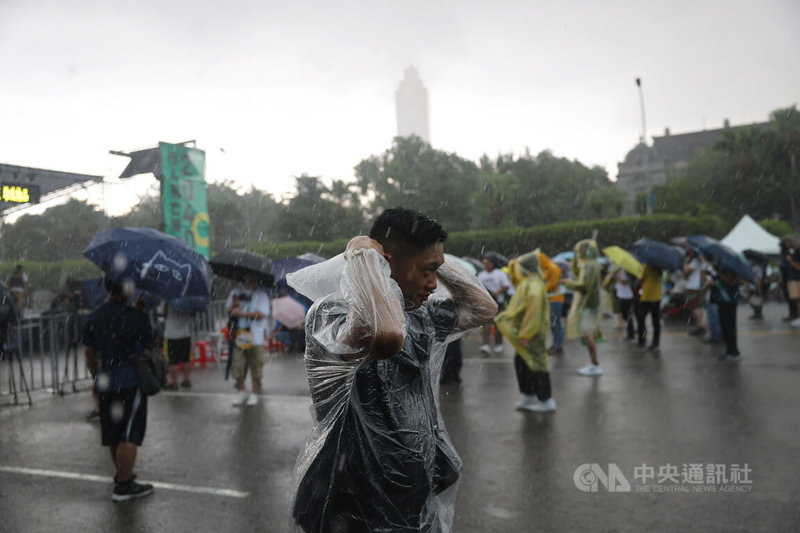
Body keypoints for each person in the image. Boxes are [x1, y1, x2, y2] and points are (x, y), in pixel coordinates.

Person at [290, 207, 497, 533]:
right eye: (426, 272)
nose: (433, 284)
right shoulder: (330, 314)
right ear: (386, 263)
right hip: (356, 506)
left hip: (414, 495)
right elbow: (385, 334)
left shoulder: (420, 314)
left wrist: (437, 264)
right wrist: (363, 258)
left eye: (435, 272)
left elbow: (484, 307)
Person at [80, 277, 156, 501]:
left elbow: (88, 352)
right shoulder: (136, 316)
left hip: (106, 382)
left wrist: (96, 374)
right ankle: (124, 486)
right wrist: (141, 312)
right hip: (131, 381)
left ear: (107, 288)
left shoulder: (95, 315)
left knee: (114, 434)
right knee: (129, 434)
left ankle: (123, 475)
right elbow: (150, 344)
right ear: (129, 291)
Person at [496, 251, 556, 412]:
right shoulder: (529, 281)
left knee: (537, 365)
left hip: (532, 333)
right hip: (526, 331)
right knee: (522, 363)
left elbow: (533, 312)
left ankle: (546, 400)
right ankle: (529, 395)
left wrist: (526, 333)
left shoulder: (534, 284)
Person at [226, 272, 271, 406]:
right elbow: (229, 310)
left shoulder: (262, 295)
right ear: (244, 277)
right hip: (239, 335)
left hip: (256, 336)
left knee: (256, 366)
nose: (251, 281)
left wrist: (242, 313)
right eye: (248, 277)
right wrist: (235, 305)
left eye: (254, 278)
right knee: (237, 365)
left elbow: (262, 314)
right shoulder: (236, 292)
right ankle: (242, 391)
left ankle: (254, 393)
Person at [563, 239, 603, 376]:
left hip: (588, 304)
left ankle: (595, 364)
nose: (578, 252)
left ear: (586, 250)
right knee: (588, 335)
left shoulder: (590, 266)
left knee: (588, 335)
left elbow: (584, 286)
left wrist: (568, 283)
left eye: (579, 249)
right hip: (589, 304)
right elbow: (576, 272)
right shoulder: (589, 264)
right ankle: (594, 363)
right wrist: (575, 257)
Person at [477, 255, 512, 354]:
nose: (486, 265)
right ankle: (486, 345)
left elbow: (506, 286)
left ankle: (499, 344)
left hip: (498, 303)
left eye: (488, 263)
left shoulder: (500, 274)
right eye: (484, 263)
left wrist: (498, 292)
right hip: (486, 304)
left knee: (498, 325)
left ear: (493, 263)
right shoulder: (481, 275)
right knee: (486, 325)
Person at [706, 266, 742, 361]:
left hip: (728, 301)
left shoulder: (730, 268)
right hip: (724, 301)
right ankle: (730, 351)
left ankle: (733, 352)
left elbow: (728, 280)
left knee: (729, 327)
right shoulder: (729, 266)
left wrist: (718, 272)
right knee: (726, 327)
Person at [162, 302, 194, 390]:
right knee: (186, 359)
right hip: (185, 334)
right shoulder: (185, 301)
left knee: (173, 361)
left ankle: (174, 383)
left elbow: (163, 315)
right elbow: (190, 315)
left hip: (171, 336)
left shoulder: (167, 301)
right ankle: (186, 380)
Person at [539, 252, 565, 355]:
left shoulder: (552, 268)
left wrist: (540, 290)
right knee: (554, 324)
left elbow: (553, 283)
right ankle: (556, 345)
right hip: (550, 299)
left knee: (556, 323)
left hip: (555, 299)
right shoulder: (545, 269)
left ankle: (558, 346)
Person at [636, 265, 663, 352]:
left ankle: (642, 342)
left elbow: (640, 279)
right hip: (657, 296)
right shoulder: (660, 266)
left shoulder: (644, 266)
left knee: (641, 320)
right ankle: (656, 344)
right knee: (656, 321)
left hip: (646, 297)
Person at [683, 248, 707, 336]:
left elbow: (686, 271)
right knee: (695, 307)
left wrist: (686, 262)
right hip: (693, 286)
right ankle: (700, 325)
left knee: (695, 307)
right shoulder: (696, 260)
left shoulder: (694, 261)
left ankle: (701, 326)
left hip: (693, 286)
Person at [613, 267, 636, 341]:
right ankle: (630, 331)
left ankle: (631, 333)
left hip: (627, 296)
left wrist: (617, 277)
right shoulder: (620, 270)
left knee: (627, 315)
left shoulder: (628, 271)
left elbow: (625, 282)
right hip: (621, 295)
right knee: (625, 315)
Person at [779, 240, 798, 321]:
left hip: (792, 278)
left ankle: (794, 314)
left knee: (794, 298)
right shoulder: (787, 254)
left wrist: (789, 261)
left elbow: (790, 266)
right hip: (788, 278)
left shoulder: (788, 254)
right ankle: (793, 314)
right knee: (791, 298)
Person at [787, 245, 800, 328]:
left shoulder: (798, 253)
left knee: (798, 299)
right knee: (797, 300)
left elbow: (798, 267)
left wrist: (790, 260)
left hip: (797, 280)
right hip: (794, 279)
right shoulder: (794, 252)